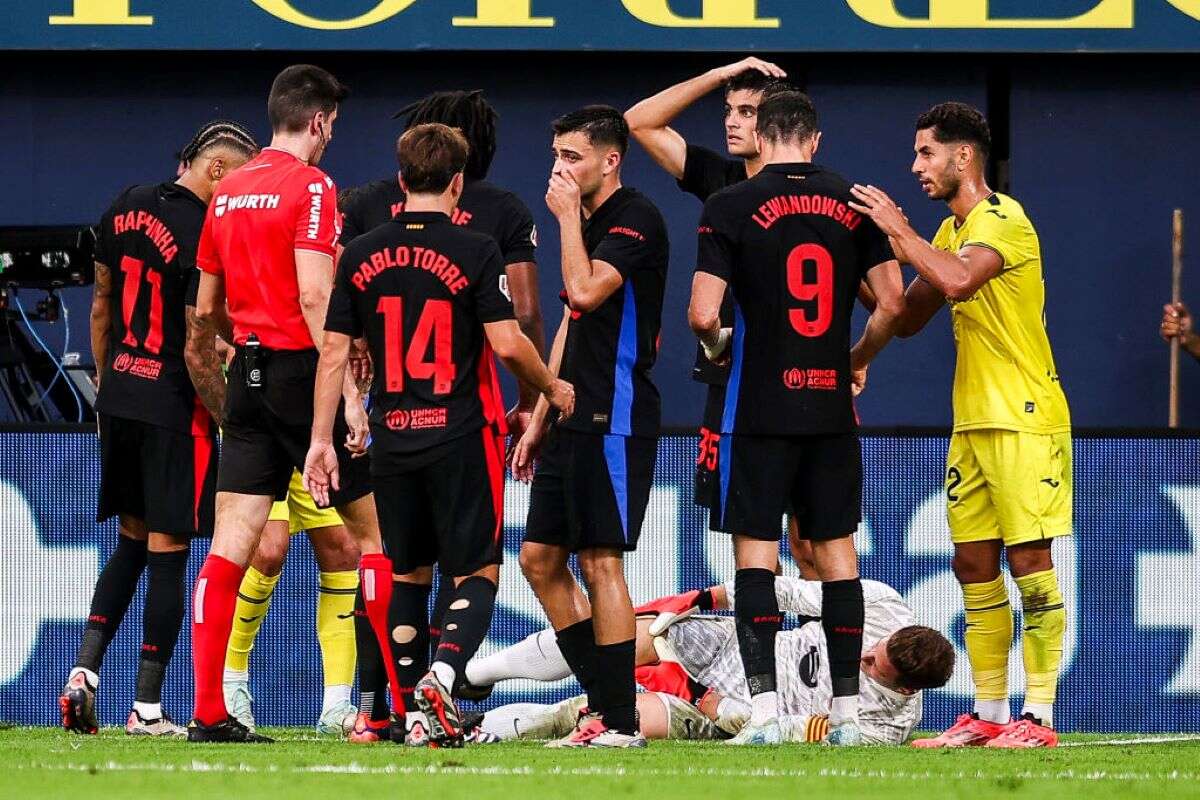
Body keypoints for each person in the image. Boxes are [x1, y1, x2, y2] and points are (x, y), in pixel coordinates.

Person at [305, 122, 574, 748]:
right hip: (460, 434)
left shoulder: (362, 252)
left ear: (401, 181)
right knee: (477, 572)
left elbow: (334, 353)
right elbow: (509, 344)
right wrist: (551, 388)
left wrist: (324, 437)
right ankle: (443, 677)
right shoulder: (477, 248)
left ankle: (408, 714)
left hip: (393, 436)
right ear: (458, 182)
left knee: (407, 575)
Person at [848, 102, 1071, 748]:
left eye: (926, 153)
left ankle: (1040, 716)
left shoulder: (1004, 221)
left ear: (963, 156)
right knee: (972, 564)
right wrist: (855, 361)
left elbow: (956, 282)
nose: (916, 166)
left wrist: (898, 230)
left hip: (1025, 417)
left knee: (1029, 560)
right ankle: (990, 712)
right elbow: (907, 313)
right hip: (973, 422)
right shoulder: (948, 233)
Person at [688, 91, 905, 746]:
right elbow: (892, 302)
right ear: (814, 140)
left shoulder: (728, 205)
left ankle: (762, 715)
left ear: (765, 135)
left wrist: (718, 345)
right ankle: (844, 717)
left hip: (755, 408)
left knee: (757, 557)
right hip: (829, 408)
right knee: (837, 557)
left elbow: (703, 315)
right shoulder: (852, 201)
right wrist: (855, 357)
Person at [188, 64, 388, 744]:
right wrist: (350, 402)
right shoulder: (312, 186)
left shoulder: (227, 190)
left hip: (245, 372)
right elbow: (314, 300)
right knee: (368, 538)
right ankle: (384, 707)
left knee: (228, 549)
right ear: (319, 122)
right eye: (333, 123)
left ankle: (210, 709)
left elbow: (207, 307)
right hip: (304, 376)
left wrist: (241, 345)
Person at [626, 59, 870, 576]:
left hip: (808, 379)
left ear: (775, 125)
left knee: (813, 542)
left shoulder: (828, 199)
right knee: (753, 535)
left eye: (748, 112)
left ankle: (818, 652)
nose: (734, 122)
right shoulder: (724, 184)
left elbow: (874, 294)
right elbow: (639, 122)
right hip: (738, 384)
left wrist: (855, 354)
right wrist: (723, 73)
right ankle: (775, 652)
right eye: (729, 111)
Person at [60, 120, 258, 737]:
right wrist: (227, 415)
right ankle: (147, 707)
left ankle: (85, 672)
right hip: (176, 407)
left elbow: (99, 305)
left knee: (130, 542)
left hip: (119, 394)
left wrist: (107, 385)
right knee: (169, 557)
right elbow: (202, 333)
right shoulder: (206, 229)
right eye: (241, 180)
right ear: (217, 170)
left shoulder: (122, 206)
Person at [511, 106, 669, 748]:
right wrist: (540, 412)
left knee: (601, 560)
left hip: (616, 412)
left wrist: (566, 218)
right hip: (572, 413)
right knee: (539, 559)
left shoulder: (636, 217)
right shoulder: (589, 221)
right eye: (555, 155)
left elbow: (582, 294)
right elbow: (573, 327)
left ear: (611, 160)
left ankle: (619, 719)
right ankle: (607, 705)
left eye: (573, 156)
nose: (559, 169)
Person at [470, 577, 954, 745]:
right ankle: (471, 676)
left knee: (594, 715)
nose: (862, 655)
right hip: (729, 646)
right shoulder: (885, 605)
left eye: (873, 666)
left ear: (907, 688)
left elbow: (778, 731)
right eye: (875, 646)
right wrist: (699, 597)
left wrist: (698, 695)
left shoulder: (885, 726)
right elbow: (782, 591)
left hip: (726, 711)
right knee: (606, 642)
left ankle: (480, 730)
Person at [221, 469, 360, 737]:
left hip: (309, 443)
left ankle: (337, 705)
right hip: (263, 436)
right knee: (268, 551)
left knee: (344, 549)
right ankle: (231, 688)